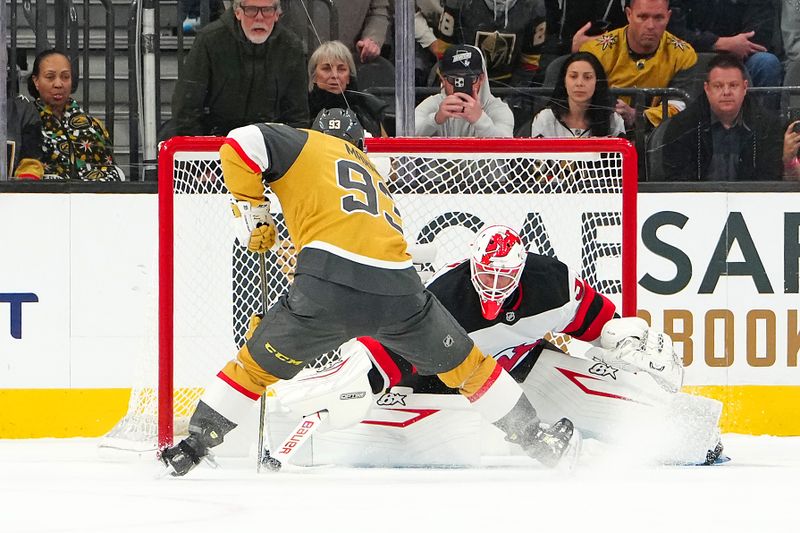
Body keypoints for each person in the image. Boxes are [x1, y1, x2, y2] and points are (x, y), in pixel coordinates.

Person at [159, 108, 580, 476]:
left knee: (252, 368)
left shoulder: (306, 143)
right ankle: (535, 439)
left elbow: (241, 141)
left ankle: (193, 447)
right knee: (470, 368)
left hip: (326, 285)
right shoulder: (375, 177)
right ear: (360, 143)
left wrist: (253, 208)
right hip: (399, 291)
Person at [355, 225, 724, 465]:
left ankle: (695, 435)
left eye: (503, 276)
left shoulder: (552, 283)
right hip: (449, 382)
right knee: (446, 442)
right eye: (486, 274)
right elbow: (390, 352)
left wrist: (628, 340)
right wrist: (358, 382)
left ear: (521, 270)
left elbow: (601, 325)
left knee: (615, 404)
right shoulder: (444, 296)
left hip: (522, 364)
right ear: (471, 264)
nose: (494, 285)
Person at [168, 0, 308, 138]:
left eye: (267, 10)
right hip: (215, 140)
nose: (259, 17)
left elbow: (297, 113)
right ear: (238, 12)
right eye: (251, 10)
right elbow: (187, 106)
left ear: (277, 14)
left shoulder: (291, 47)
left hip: (269, 143)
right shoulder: (210, 41)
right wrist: (199, 147)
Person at [661, 53, 787, 181]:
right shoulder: (682, 125)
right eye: (718, 86)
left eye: (733, 85)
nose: (726, 92)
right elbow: (677, 183)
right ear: (707, 89)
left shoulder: (767, 125)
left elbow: (769, 181)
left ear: (744, 87)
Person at [579, 0, 698, 130]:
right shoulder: (595, 52)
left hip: (659, 135)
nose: (650, 26)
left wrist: (639, 116)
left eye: (658, 18)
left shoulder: (683, 55)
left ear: (668, 17)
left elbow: (679, 105)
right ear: (629, 15)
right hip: (604, 133)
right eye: (642, 17)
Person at [27, 50, 123, 181]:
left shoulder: (93, 126)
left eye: (65, 77)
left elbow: (112, 171)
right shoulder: (27, 122)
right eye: (50, 77)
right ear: (36, 81)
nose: (58, 84)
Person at [667, 0, 782, 91]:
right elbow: (674, 31)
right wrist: (717, 43)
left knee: (766, 63)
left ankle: (760, 114)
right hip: (694, 55)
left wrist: (735, 45)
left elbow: (759, 35)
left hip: (740, 58)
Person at [415, 44, 514, 137]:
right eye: (454, 79)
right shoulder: (433, 104)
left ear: (481, 78)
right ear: (442, 79)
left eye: (470, 79)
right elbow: (408, 134)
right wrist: (435, 120)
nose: (461, 85)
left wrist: (480, 120)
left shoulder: (498, 109)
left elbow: (507, 144)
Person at [530, 51, 625, 137]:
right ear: (564, 81)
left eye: (587, 77)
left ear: (597, 82)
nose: (579, 83)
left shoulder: (613, 121)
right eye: (573, 76)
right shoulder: (546, 119)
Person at [307, 40, 389, 138]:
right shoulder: (301, 110)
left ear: (349, 77)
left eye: (341, 69)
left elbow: (384, 143)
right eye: (326, 69)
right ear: (314, 76)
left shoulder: (368, 109)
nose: (335, 75)